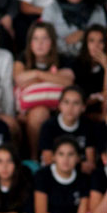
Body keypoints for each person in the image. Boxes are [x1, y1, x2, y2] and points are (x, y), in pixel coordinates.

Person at [13, 21, 74, 159]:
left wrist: (37, 75)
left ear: (52, 41)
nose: (40, 43)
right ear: (30, 42)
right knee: (40, 113)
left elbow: (68, 81)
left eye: (44, 38)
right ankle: (36, 158)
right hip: (31, 111)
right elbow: (19, 79)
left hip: (60, 108)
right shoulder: (22, 57)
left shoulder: (63, 58)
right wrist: (52, 78)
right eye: (35, 38)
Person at [41, 0, 106, 58]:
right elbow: (43, 38)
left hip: (91, 59)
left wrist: (84, 34)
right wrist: (66, 43)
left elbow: (104, 37)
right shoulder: (51, 9)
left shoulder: (97, 10)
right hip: (59, 58)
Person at [38, 86, 96, 174]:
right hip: (55, 171)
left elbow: (90, 163)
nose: (70, 108)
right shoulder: (48, 126)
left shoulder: (88, 126)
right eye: (66, 102)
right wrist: (74, 162)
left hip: (80, 173)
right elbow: (48, 160)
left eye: (76, 103)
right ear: (60, 105)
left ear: (83, 107)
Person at [72, 24, 107, 119]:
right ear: (85, 44)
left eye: (101, 41)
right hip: (82, 112)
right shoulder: (77, 64)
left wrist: (106, 66)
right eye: (91, 41)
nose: (96, 46)